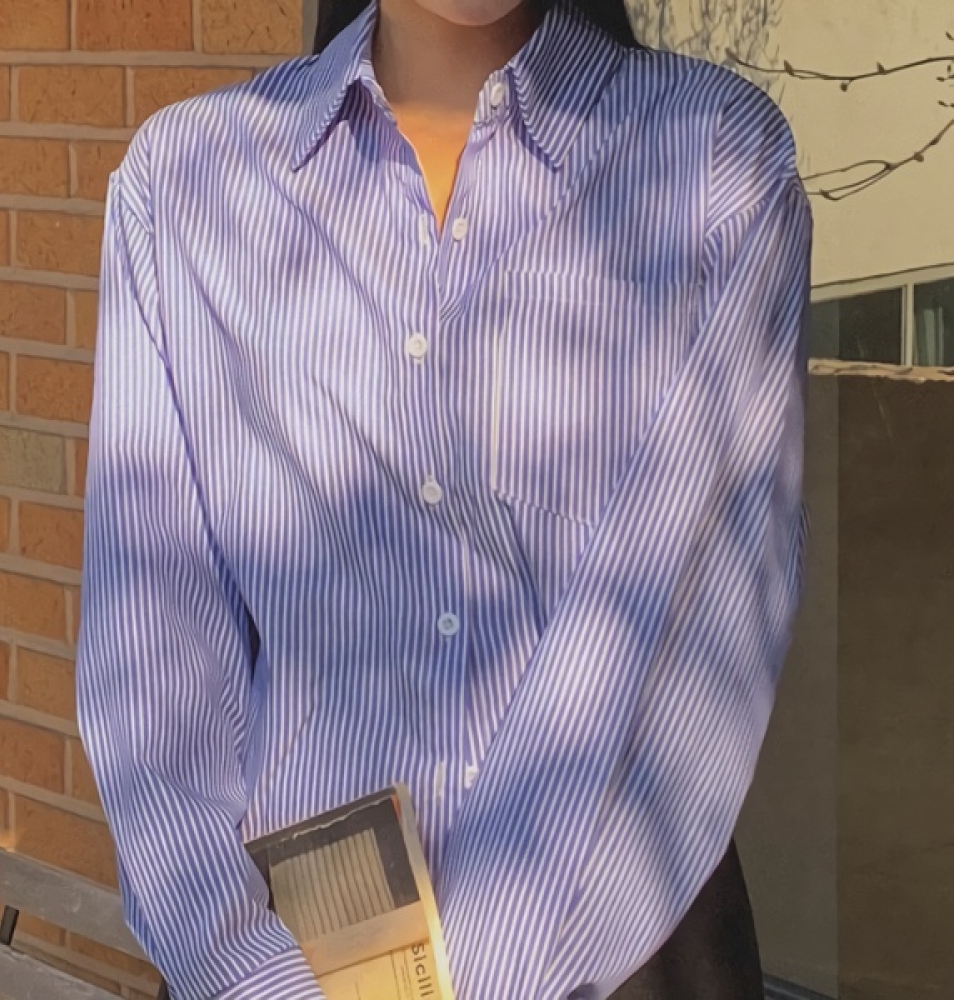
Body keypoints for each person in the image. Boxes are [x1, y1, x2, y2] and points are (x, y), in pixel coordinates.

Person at [75, 0, 813, 997]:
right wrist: (253, 977)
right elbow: (151, 669)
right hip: (290, 960)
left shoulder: (715, 162)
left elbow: (679, 632)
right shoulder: (186, 186)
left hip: (622, 966)